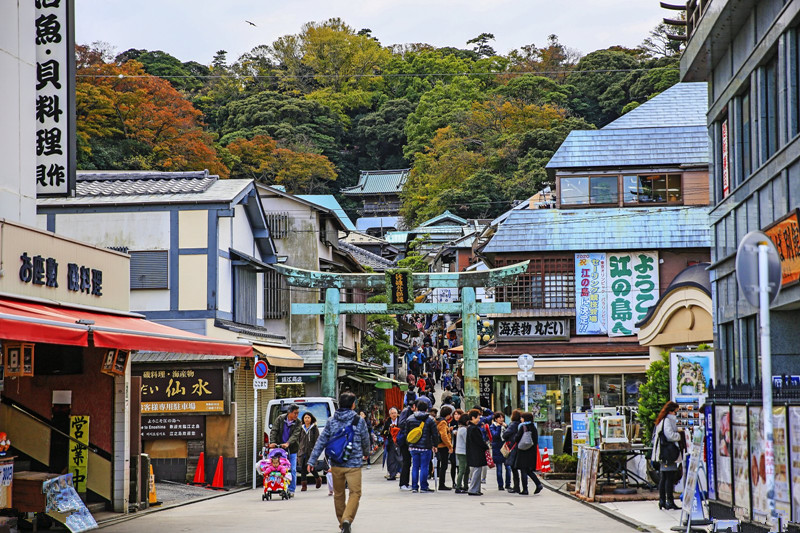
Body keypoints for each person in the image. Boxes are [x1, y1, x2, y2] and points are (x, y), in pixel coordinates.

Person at [307, 392, 370, 533]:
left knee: (339, 494)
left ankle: (343, 524)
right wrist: (366, 454)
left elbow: (321, 441)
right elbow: (366, 440)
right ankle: (347, 519)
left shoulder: (331, 420)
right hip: (353, 464)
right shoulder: (359, 420)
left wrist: (312, 460)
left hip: (336, 463)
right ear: (353, 405)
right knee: (355, 493)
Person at [651, 401, 683, 510]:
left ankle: (662, 501)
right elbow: (670, 436)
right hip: (668, 454)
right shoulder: (668, 421)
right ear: (671, 411)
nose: (676, 414)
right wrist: (679, 435)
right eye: (676, 412)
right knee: (669, 477)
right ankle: (669, 501)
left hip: (663, 454)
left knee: (664, 478)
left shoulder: (663, 420)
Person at [403, 399, 439, 493]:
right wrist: (435, 445)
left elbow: (406, 433)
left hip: (413, 447)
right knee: (424, 466)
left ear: (417, 408)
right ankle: (423, 487)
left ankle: (414, 487)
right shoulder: (430, 419)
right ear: (427, 409)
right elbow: (435, 434)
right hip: (425, 447)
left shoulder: (410, 418)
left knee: (415, 466)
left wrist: (409, 444)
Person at [269, 403, 302, 496]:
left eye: (297, 413)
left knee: (292, 469)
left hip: (292, 449)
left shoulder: (298, 422)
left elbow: (295, 435)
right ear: (289, 413)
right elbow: (274, 430)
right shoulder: (280, 419)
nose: (296, 415)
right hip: (280, 449)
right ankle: (281, 487)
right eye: (295, 413)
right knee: (279, 469)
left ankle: (291, 490)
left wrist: (288, 443)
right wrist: (272, 442)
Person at [514, 412, 543, 495]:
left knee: (523, 470)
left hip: (523, 451)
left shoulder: (523, 427)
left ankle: (525, 489)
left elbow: (517, 438)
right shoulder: (533, 427)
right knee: (528, 470)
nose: (521, 419)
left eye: (522, 417)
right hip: (532, 451)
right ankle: (538, 484)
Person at [466, 409, 489, 496]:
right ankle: (473, 489)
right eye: (478, 418)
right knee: (477, 470)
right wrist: (485, 446)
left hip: (473, 451)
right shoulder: (474, 429)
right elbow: (479, 441)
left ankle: (476, 489)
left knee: (477, 470)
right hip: (477, 452)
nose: (479, 420)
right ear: (473, 418)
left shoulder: (470, 428)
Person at [297, 412, 321, 491]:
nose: (307, 419)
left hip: (311, 451)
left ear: (311, 419)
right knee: (303, 468)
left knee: (311, 467)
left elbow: (317, 439)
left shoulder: (314, 428)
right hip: (303, 451)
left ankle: (318, 479)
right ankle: (304, 485)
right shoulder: (301, 428)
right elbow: (298, 439)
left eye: (308, 418)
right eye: (305, 418)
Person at [397, 399, 417, 491]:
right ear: (413, 407)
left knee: (408, 462)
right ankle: (403, 483)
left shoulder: (409, 412)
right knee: (406, 462)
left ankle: (406, 483)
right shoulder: (406, 412)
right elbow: (401, 424)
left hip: (408, 440)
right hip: (405, 441)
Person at [489, 412, 510, 491]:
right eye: (499, 418)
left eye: (502, 417)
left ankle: (508, 484)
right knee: (499, 469)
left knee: (508, 468)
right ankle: (500, 485)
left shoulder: (505, 426)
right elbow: (495, 435)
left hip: (505, 449)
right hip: (497, 449)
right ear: (496, 419)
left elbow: (509, 434)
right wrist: (498, 427)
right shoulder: (493, 426)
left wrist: (506, 427)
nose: (501, 419)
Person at [503, 410, 522, 493]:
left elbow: (506, 434)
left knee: (513, 468)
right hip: (519, 447)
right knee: (519, 468)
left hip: (513, 447)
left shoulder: (513, 424)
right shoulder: (520, 425)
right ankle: (519, 486)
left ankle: (516, 487)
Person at [435, 405, 454, 491]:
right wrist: (449, 446)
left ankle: (442, 484)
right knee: (444, 465)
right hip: (443, 446)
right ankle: (441, 484)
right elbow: (444, 435)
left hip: (440, 446)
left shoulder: (439, 420)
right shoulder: (443, 422)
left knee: (443, 465)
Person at [382, 407, 402, 481]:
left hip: (399, 441)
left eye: (395, 413)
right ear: (390, 415)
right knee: (391, 459)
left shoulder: (400, 419)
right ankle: (392, 474)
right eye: (392, 413)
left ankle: (401, 473)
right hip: (391, 442)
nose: (394, 415)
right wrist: (388, 430)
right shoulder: (388, 421)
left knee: (400, 458)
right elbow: (384, 431)